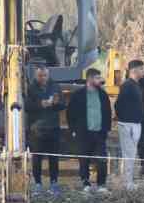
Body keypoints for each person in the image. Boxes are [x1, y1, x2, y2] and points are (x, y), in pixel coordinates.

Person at [65, 68, 112, 194]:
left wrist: (107, 129)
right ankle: (85, 183)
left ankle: (101, 184)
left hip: (99, 133)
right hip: (83, 133)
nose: (99, 80)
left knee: (102, 159)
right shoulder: (78, 95)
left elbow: (108, 112)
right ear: (89, 79)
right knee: (84, 159)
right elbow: (70, 113)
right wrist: (73, 130)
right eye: (97, 78)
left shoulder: (103, 94)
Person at [26, 66, 64, 195]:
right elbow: (26, 105)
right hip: (37, 129)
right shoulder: (30, 88)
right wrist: (40, 104)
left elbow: (62, 105)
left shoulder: (55, 87)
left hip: (53, 127)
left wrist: (56, 103)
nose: (43, 78)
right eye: (40, 76)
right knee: (37, 158)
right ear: (36, 76)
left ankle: (54, 183)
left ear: (48, 75)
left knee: (53, 157)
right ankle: (37, 184)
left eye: (45, 75)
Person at [114, 59, 144, 192]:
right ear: (135, 70)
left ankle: (128, 180)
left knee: (132, 154)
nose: (143, 71)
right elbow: (118, 104)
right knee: (129, 154)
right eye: (142, 69)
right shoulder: (127, 85)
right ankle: (127, 183)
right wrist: (125, 119)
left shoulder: (137, 85)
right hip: (127, 124)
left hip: (135, 123)